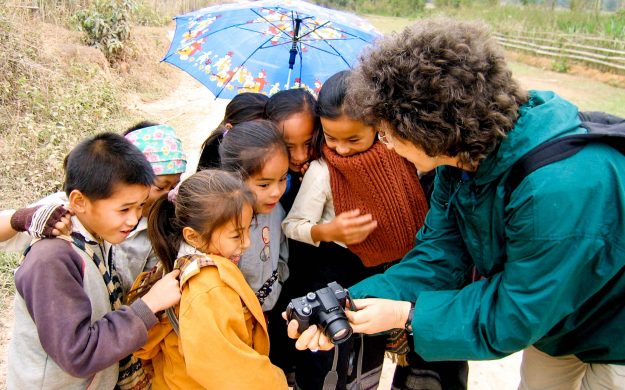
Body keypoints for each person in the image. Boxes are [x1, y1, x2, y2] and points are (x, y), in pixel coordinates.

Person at [289, 18, 625, 389]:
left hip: (614, 331)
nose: (384, 144)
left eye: (386, 133)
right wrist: (346, 302)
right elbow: (439, 255)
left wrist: (407, 315)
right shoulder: (462, 157)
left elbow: (512, 315)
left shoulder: (556, 191)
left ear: (424, 127)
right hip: (559, 322)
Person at [281, 70, 433, 390]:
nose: (342, 149)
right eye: (331, 138)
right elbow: (292, 225)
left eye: (353, 139)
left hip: (379, 274)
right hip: (333, 273)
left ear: (378, 126)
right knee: (328, 351)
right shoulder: (323, 171)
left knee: (367, 346)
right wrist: (328, 231)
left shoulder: (399, 158)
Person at [7, 132, 181, 389]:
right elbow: (78, 353)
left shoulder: (96, 235)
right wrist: (149, 304)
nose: (133, 220)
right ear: (79, 201)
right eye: (124, 209)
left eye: (139, 206)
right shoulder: (52, 259)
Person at [134, 169, 288, 389]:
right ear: (193, 236)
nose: (247, 243)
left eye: (247, 231)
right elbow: (228, 369)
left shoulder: (179, 261)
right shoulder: (208, 287)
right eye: (236, 235)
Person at [0, 123, 187, 292]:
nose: (168, 195)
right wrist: (24, 218)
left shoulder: (157, 228)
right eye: (161, 186)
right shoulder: (62, 213)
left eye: (173, 187)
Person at [200, 119, 290, 313]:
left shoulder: (275, 208)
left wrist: (279, 279)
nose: (276, 192)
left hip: (268, 309)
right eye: (264, 185)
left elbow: (281, 248)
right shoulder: (222, 225)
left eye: (283, 178)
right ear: (234, 179)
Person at [264, 88, 322, 210]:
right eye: (288, 147)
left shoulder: (323, 168)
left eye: (308, 143)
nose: (301, 156)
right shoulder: (261, 171)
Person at [197, 92, 268, 171]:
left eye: (270, 128)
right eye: (255, 132)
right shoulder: (215, 148)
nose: (265, 136)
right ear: (230, 128)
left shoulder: (274, 148)